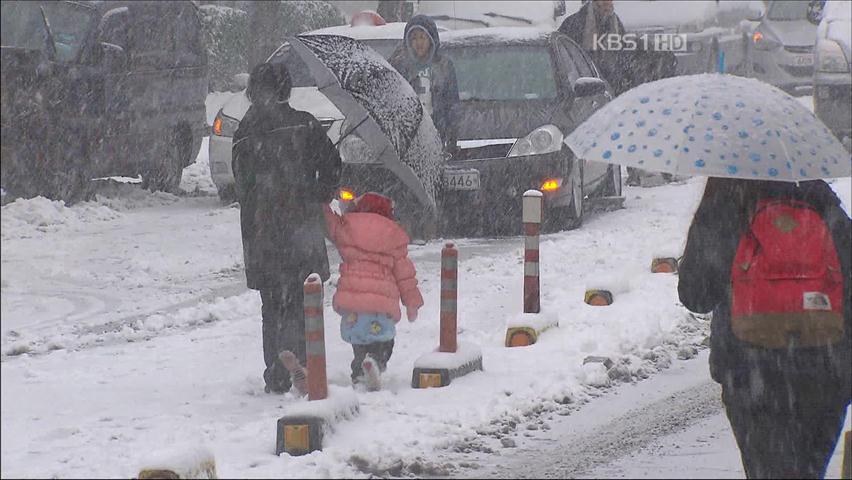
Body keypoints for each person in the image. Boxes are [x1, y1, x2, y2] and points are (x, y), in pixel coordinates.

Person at [678, 178, 851, 479]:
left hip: (753, 378)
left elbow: (695, 295)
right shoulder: (819, 197)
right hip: (825, 372)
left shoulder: (726, 196)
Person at [232, 62, 342, 394]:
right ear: (286, 89)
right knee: (302, 299)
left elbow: (242, 184)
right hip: (301, 228)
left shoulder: (245, 132)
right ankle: (304, 362)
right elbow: (333, 166)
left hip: (262, 232)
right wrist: (317, 193)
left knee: (272, 304)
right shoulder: (305, 125)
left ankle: (277, 370)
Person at [559, 0, 677, 187]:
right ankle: (600, 178)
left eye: (610, 1)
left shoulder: (615, 23)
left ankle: (628, 173)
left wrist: (628, 79)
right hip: (588, 86)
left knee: (621, 130)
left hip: (614, 85)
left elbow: (623, 54)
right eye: (604, 1)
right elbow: (566, 56)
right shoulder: (575, 24)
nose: (608, 4)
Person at [323, 192, 424, 391]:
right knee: (384, 339)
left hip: (352, 299)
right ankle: (376, 361)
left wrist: (320, 203)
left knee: (359, 338)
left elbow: (329, 223)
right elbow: (405, 275)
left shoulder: (347, 227)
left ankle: (360, 372)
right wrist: (412, 303)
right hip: (381, 302)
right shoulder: (393, 234)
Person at [387, 15, 458, 242]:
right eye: (414, 37)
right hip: (407, 135)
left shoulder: (444, 66)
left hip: (434, 134)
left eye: (423, 37)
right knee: (405, 184)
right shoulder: (399, 66)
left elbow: (451, 103)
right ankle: (406, 228)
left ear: (432, 39)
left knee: (431, 184)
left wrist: (451, 135)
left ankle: (431, 227)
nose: (419, 42)